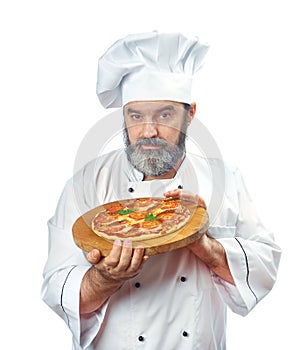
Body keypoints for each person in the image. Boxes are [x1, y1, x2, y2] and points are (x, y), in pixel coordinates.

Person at [41, 32, 281, 349]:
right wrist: (106, 278)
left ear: (190, 114)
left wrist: (205, 246)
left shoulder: (226, 179)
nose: (148, 131)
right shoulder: (87, 183)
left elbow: (265, 268)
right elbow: (60, 292)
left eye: (165, 115)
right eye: (136, 116)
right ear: (123, 117)